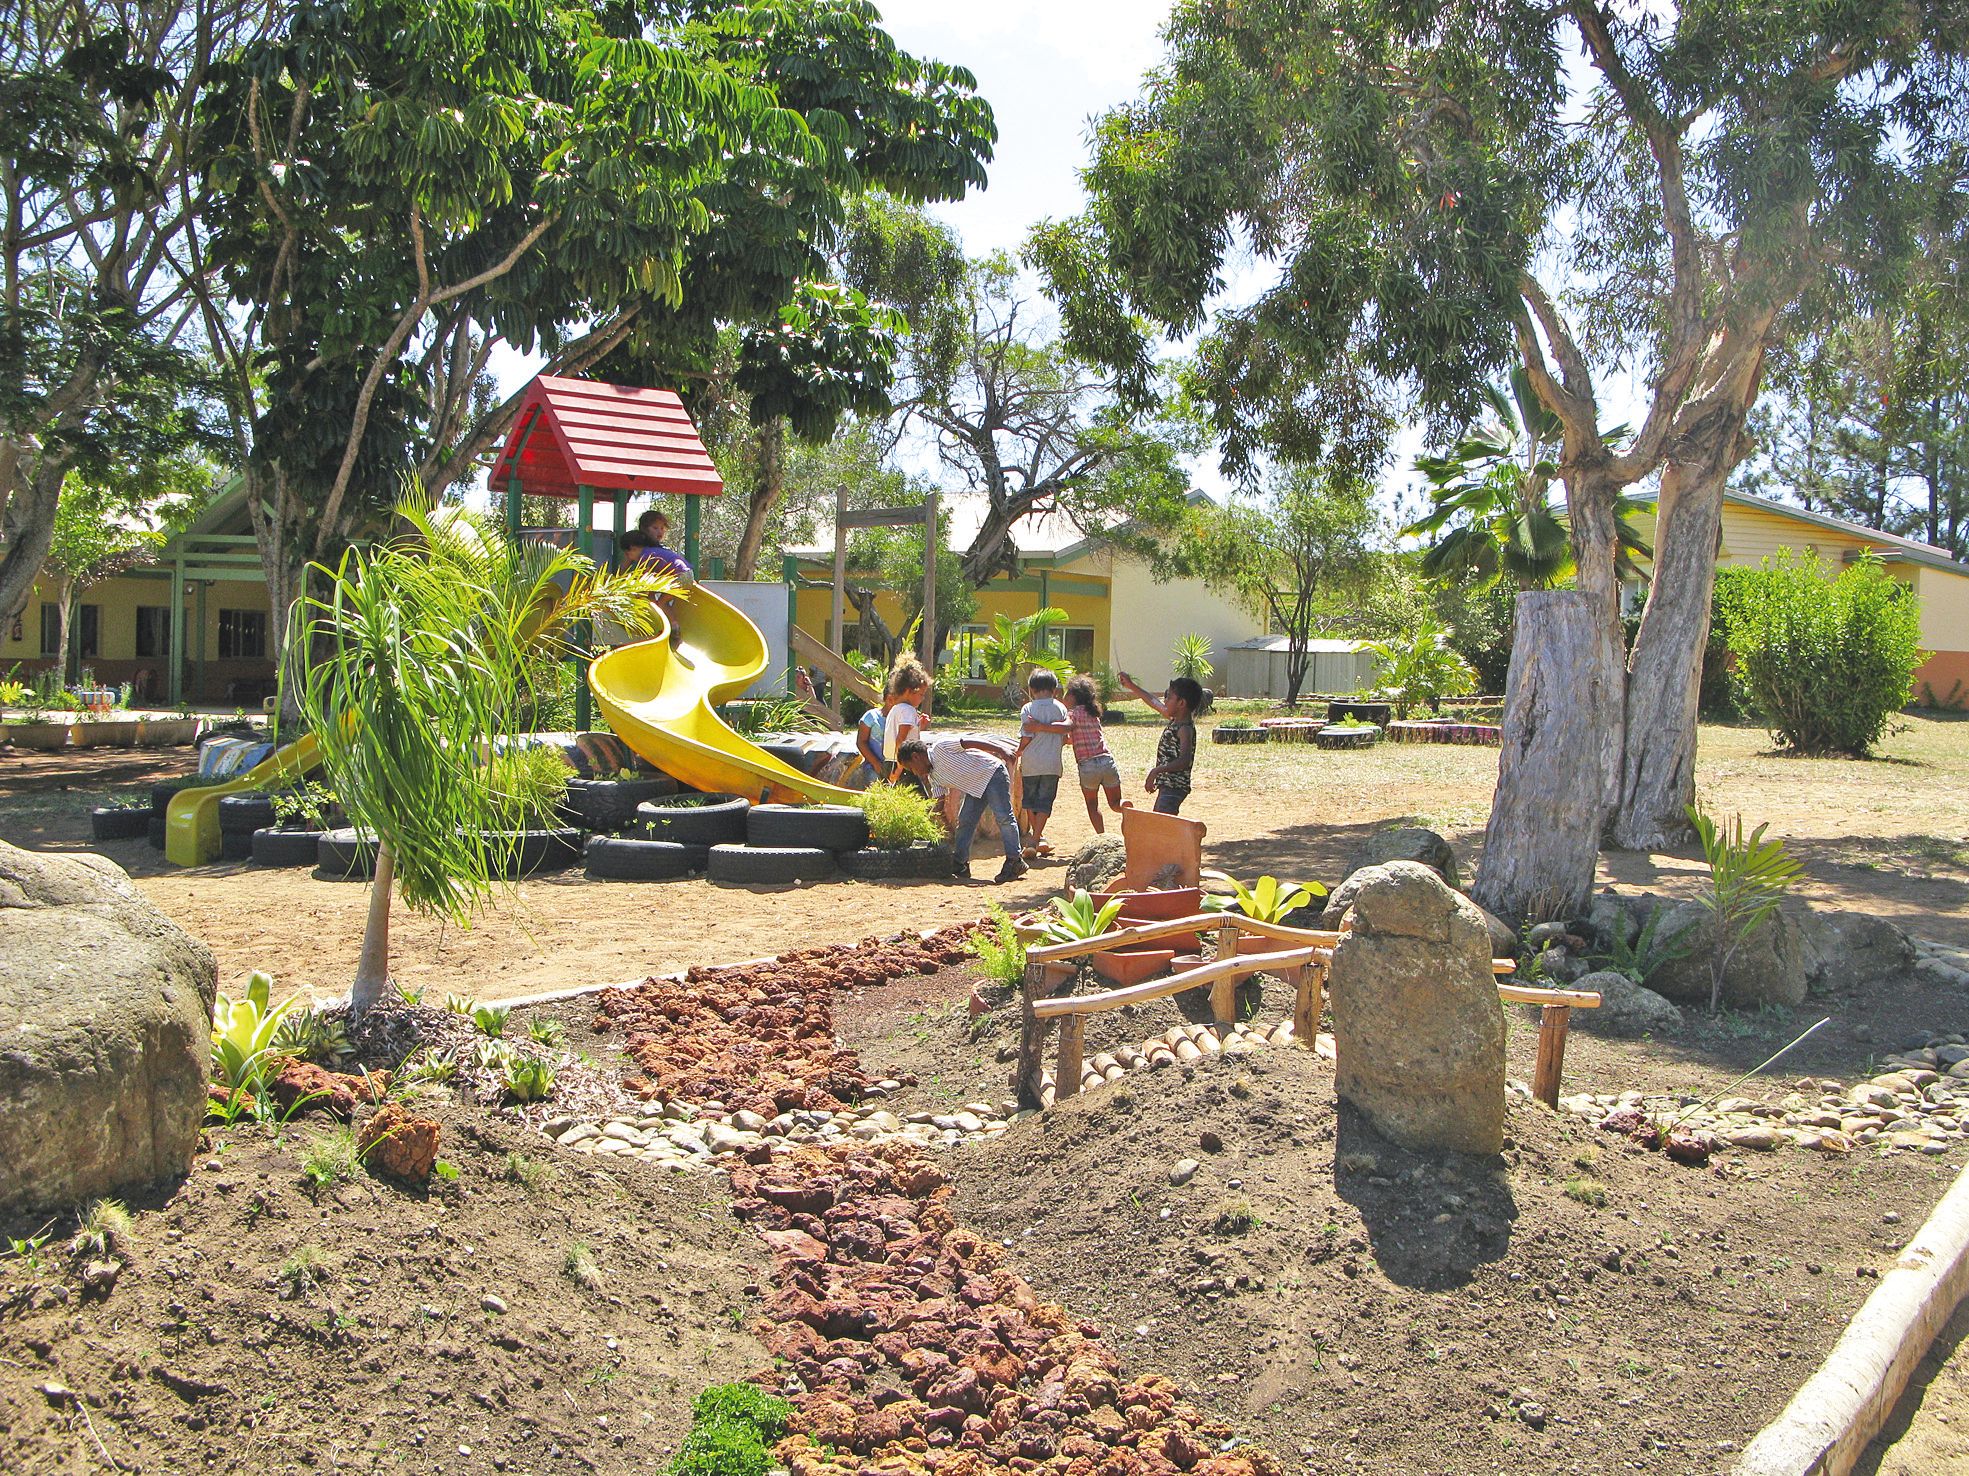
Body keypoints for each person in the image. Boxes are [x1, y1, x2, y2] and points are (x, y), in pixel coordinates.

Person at [894, 737, 1029, 884]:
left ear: (916, 757)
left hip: (992, 773)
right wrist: (925, 817)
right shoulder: (934, 777)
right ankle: (960, 864)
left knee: (1004, 818)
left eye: (912, 768)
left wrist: (1001, 750)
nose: (915, 773)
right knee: (965, 821)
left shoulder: (941, 748)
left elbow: (970, 742)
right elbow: (938, 804)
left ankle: (1015, 861)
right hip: (975, 787)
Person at [1118, 671, 1210, 814]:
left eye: (1169, 697)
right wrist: (1131, 686)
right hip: (1168, 786)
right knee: (1161, 823)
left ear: (1181, 703)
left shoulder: (1184, 729)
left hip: (1174, 787)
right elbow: (1152, 701)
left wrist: (1156, 771)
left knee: (1161, 825)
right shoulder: (1176, 720)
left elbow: (1184, 761)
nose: (1165, 701)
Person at [1011, 668, 1070, 859]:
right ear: (1054, 689)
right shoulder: (1060, 708)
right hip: (1052, 763)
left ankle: (1034, 840)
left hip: (1031, 763)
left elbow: (1027, 735)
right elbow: (1065, 736)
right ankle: (1038, 838)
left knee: (1030, 800)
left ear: (1031, 689)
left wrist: (1019, 751)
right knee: (1045, 801)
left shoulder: (1028, 709)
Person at [1064, 673, 1125, 833]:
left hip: (1088, 765)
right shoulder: (1094, 713)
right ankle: (1127, 809)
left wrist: (1044, 726)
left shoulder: (1073, 714)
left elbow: (1067, 727)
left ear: (1072, 695)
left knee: (1092, 805)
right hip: (1106, 761)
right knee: (1116, 803)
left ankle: (1101, 836)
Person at [882, 656, 932, 777]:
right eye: (921, 694)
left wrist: (920, 727)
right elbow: (901, 739)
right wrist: (900, 766)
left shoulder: (895, 709)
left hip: (889, 760)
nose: (922, 698)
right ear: (909, 691)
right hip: (905, 762)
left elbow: (906, 735)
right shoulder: (908, 711)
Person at [853, 697, 887, 787]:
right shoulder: (871, 716)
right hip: (873, 765)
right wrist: (875, 763)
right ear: (890, 699)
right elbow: (861, 742)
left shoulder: (901, 718)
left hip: (895, 767)